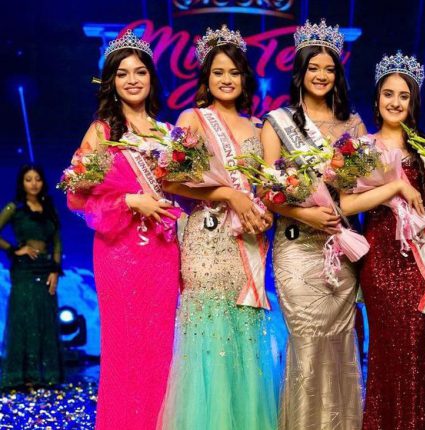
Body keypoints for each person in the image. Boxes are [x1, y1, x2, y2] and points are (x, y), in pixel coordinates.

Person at [158, 26, 278, 429]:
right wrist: (228, 194)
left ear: (245, 78)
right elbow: (170, 181)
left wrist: (264, 210)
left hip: (246, 240)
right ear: (206, 78)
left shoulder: (257, 127)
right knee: (207, 331)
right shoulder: (192, 119)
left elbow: (266, 188)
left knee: (244, 330)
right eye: (218, 72)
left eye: (234, 72)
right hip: (206, 239)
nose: (227, 79)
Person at [65, 30, 180, 430]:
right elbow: (77, 198)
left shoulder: (168, 134)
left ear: (151, 78)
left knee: (160, 346)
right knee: (124, 348)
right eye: (122, 73)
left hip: (163, 253)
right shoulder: (102, 131)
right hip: (119, 253)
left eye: (140, 72)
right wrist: (131, 201)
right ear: (111, 82)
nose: (132, 80)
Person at [261, 19, 367, 430]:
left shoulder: (353, 125)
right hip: (296, 247)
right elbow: (267, 191)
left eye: (329, 69)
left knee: (340, 346)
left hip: (339, 249)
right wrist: (306, 213)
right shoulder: (277, 123)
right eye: (313, 68)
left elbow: (361, 186)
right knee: (306, 342)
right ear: (301, 72)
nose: (321, 75)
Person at [339, 51, 425, 430]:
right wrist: (396, 186)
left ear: (413, 102)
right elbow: (347, 203)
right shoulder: (361, 147)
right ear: (377, 98)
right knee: (384, 352)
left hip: (417, 261)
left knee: (416, 353)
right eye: (388, 94)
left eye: (404, 95)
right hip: (380, 259)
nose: (395, 102)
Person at [0, 165, 63, 389]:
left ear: (43, 182)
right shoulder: (14, 207)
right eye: (28, 179)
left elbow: (57, 243)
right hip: (24, 269)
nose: (34, 183)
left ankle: (44, 375)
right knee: (24, 318)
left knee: (45, 318)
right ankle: (21, 375)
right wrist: (14, 249)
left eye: (37, 179)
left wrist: (55, 270)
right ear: (22, 183)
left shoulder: (49, 208)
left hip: (46, 268)